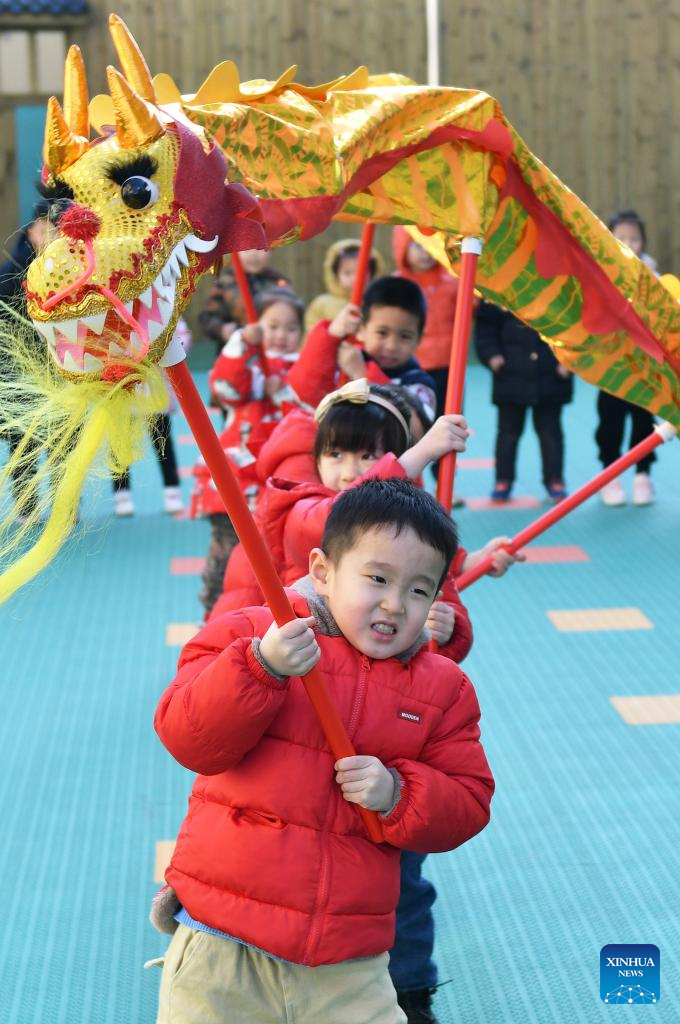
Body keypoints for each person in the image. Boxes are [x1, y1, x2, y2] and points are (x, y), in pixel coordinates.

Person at [151, 477, 494, 1024]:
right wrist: (258, 666)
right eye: (377, 577)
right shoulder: (251, 632)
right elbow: (186, 735)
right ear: (322, 570)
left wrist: (397, 793)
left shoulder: (442, 688)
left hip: (346, 959)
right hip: (223, 939)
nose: (394, 603)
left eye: (418, 589)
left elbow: (470, 802)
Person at [192, 286, 343, 616]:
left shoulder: (302, 367)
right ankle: (213, 618)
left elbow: (309, 401)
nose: (281, 335)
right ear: (256, 322)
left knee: (272, 559)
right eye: (273, 326)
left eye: (291, 328)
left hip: (281, 481)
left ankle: (267, 619)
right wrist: (246, 343)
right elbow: (226, 388)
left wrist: (283, 392)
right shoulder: (247, 359)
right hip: (238, 480)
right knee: (228, 554)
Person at [475, 300, 573, 503]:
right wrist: (491, 355)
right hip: (510, 375)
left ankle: (554, 479)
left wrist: (568, 360)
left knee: (550, 433)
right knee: (508, 433)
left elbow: (572, 327)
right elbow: (485, 328)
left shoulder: (558, 288)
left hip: (551, 376)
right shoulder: (498, 290)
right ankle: (503, 479)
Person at [305, 275, 438, 421]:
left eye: (405, 336)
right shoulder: (346, 362)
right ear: (361, 330)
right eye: (382, 333)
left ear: (419, 339)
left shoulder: (420, 385)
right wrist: (331, 334)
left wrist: (362, 375)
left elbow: (411, 425)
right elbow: (307, 390)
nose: (391, 346)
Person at [596, 210, 658, 506]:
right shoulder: (600, 274)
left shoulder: (652, 278)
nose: (628, 244)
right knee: (610, 423)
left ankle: (643, 476)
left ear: (643, 243)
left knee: (644, 421)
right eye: (621, 238)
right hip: (611, 364)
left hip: (645, 365)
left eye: (634, 238)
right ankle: (610, 477)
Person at [0, 202, 51, 520]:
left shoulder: (71, 271)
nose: (51, 237)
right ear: (30, 232)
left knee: (67, 435)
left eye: (56, 231)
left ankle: (65, 504)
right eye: (45, 230)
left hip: (59, 368)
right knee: (24, 441)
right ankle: (26, 503)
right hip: (19, 370)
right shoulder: (10, 275)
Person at [112, 318, 190, 517]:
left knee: (162, 441)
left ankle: (172, 490)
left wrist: (161, 349)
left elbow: (181, 336)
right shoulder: (109, 309)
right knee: (121, 444)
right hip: (123, 389)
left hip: (155, 387)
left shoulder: (158, 300)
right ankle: (122, 493)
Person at [198, 249, 290, 357]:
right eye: (246, 250)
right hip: (236, 352)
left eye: (260, 248)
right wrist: (222, 329)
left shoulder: (278, 282)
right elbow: (207, 317)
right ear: (235, 252)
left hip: (272, 352)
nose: (253, 255)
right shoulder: (225, 284)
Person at [304, 237, 382, 333]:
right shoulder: (322, 304)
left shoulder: (377, 305)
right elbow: (312, 333)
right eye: (347, 273)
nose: (355, 278)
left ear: (372, 273)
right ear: (336, 274)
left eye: (361, 272)